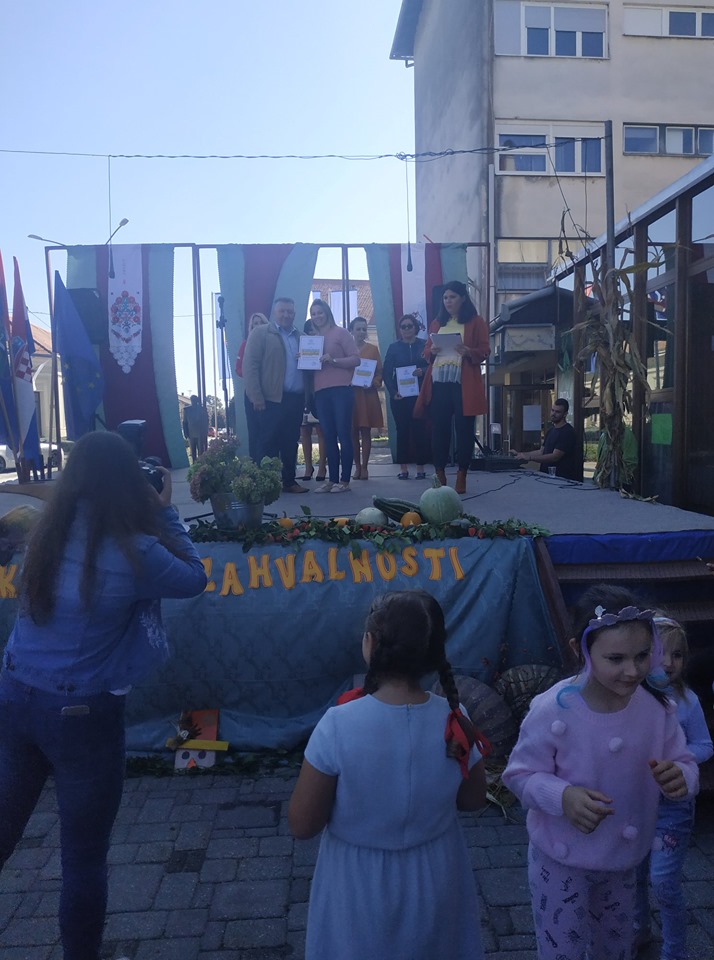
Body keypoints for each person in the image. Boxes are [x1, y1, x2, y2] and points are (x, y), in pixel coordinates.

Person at [0, 430, 207, 960]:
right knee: (83, 857)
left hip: (16, 695)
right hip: (82, 713)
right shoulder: (137, 550)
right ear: (129, 483)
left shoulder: (44, 533)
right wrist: (164, 512)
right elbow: (193, 577)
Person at [288, 590, 488, 960]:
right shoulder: (456, 719)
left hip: (357, 882)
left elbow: (302, 824)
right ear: (435, 652)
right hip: (437, 872)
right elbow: (474, 799)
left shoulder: (338, 725)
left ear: (370, 642)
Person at [503, 585, 699, 960]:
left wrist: (681, 777)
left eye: (642, 655)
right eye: (616, 658)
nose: (633, 670)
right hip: (560, 862)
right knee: (562, 950)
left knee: (615, 946)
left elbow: (684, 761)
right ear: (581, 650)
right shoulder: (552, 709)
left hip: (622, 861)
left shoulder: (656, 710)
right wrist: (562, 796)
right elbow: (519, 775)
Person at [633, 614, 713, 958]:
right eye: (660, 653)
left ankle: (675, 949)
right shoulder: (628, 699)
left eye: (677, 654)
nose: (668, 663)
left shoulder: (688, 701)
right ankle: (638, 931)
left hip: (673, 807)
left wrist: (680, 761)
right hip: (634, 805)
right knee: (632, 875)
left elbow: (705, 744)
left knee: (663, 882)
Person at [414, 281, 490, 494]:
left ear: (463, 298)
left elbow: (485, 350)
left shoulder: (476, 322)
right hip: (439, 381)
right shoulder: (437, 323)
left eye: (453, 297)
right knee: (439, 429)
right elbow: (426, 352)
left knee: (464, 429)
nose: (448, 301)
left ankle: (462, 473)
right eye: (445, 297)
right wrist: (431, 352)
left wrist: (469, 351)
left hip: (464, 381)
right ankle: (439, 472)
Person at [243, 297, 308, 494]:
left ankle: (289, 481)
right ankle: (265, 483)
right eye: (282, 311)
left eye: (290, 311)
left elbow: (311, 368)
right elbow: (250, 365)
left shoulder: (303, 338)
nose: (286, 315)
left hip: (295, 399)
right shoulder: (261, 333)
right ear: (274, 313)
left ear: (294, 314)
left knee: (290, 441)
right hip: (270, 399)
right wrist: (256, 396)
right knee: (267, 442)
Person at [307, 299, 360, 494]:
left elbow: (356, 359)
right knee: (328, 435)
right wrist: (303, 359)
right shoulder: (312, 339)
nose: (317, 316)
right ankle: (332, 480)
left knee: (343, 434)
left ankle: (345, 481)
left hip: (341, 389)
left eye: (320, 312)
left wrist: (334, 360)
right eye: (313, 314)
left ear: (327, 312)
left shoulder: (341, 333)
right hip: (321, 391)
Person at [382, 313, 431, 480]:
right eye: (403, 326)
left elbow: (433, 366)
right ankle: (403, 468)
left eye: (410, 326)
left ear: (416, 328)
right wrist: (392, 391)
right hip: (400, 397)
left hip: (419, 396)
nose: (406, 329)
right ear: (400, 329)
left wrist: (422, 371)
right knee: (402, 431)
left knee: (419, 431)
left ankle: (420, 467)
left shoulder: (424, 345)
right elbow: (386, 372)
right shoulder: (393, 348)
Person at [348, 316, 383, 480]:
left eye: (364, 329)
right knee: (352, 431)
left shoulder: (373, 350)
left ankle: (365, 467)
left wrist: (373, 382)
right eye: (358, 329)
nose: (361, 332)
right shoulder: (346, 350)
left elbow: (379, 373)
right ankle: (356, 466)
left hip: (367, 395)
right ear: (351, 331)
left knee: (366, 430)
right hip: (351, 395)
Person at [514, 398, 580, 481]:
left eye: (557, 412)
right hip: (546, 477)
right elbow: (541, 451)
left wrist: (530, 458)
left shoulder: (567, 432)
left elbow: (555, 456)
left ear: (565, 414)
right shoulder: (551, 430)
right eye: (552, 410)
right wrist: (521, 454)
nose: (553, 414)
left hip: (561, 479)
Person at [235, 312, 269, 462]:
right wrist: (252, 374)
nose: (258, 326)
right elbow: (238, 368)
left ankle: (270, 466)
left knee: (269, 431)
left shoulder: (273, 343)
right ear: (251, 327)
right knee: (254, 430)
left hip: (271, 393)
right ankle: (255, 464)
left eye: (261, 323)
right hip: (252, 393)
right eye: (255, 323)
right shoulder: (245, 344)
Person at [299, 316, 327, 482]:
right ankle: (308, 467)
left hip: (320, 392)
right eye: (309, 331)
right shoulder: (300, 346)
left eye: (314, 330)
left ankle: (322, 466)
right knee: (305, 431)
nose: (312, 333)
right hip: (304, 392)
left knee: (321, 430)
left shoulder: (325, 346)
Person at [182, 394, 209, 463]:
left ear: (196, 401)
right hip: (191, 434)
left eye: (194, 400)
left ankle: (200, 464)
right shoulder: (187, 410)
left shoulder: (202, 409)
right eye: (192, 400)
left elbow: (206, 421)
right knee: (193, 452)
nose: (193, 401)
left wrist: (205, 432)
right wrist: (186, 433)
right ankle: (194, 464)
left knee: (201, 451)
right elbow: (185, 423)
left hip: (200, 433)